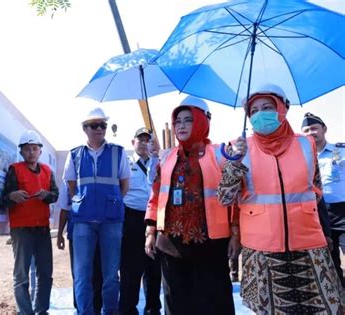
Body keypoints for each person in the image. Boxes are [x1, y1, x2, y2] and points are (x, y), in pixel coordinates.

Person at [218, 84, 343, 314]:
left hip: (309, 247)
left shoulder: (306, 144)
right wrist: (234, 163)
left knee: (325, 307)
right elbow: (225, 198)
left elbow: (316, 193)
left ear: (282, 109)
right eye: (253, 111)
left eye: (267, 107)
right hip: (262, 251)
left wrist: (326, 233)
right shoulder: (240, 150)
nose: (260, 114)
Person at [144, 96, 238, 315]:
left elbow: (233, 196)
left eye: (189, 120)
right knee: (176, 304)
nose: (182, 125)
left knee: (214, 303)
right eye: (178, 121)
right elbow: (156, 193)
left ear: (202, 121)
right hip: (171, 244)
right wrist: (150, 230)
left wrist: (235, 232)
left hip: (210, 245)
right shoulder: (166, 157)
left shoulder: (220, 154)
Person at [63, 107, 130, 315]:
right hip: (82, 221)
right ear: (85, 129)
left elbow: (124, 186)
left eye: (103, 125)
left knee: (111, 274)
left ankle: (110, 311)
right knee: (82, 274)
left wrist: (110, 201)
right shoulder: (74, 155)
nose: (99, 129)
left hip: (111, 221)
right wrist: (85, 202)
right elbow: (71, 187)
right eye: (94, 125)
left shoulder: (118, 152)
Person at [2, 130, 59, 315]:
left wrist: (46, 195)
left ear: (40, 151)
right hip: (21, 230)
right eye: (27, 149)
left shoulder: (47, 171)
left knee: (45, 273)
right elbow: (2, 199)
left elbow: (55, 195)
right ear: (21, 152)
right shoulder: (14, 170)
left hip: (42, 229)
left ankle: (41, 310)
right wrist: (12, 195)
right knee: (21, 275)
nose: (31, 152)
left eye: (35, 148)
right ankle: (25, 312)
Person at [119, 127, 162, 315]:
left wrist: (157, 157)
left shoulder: (160, 163)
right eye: (141, 139)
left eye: (148, 140)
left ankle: (153, 308)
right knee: (131, 268)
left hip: (155, 218)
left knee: (154, 266)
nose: (144, 143)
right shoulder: (125, 164)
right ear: (133, 142)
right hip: (132, 218)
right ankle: (128, 309)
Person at [302, 112, 345, 287]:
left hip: (342, 212)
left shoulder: (340, 151)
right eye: (306, 130)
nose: (311, 133)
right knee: (330, 263)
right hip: (318, 214)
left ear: (324, 129)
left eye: (314, 128)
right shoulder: (301, 158)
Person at [56, 182, 103, 314]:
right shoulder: (68, 181)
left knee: (98, 272)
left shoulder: (97, 176)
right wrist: (60, 234)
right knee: (79, 274)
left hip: (99, 232)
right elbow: (64, 209)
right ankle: (81, 308)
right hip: (76, 233)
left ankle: (97, 308)